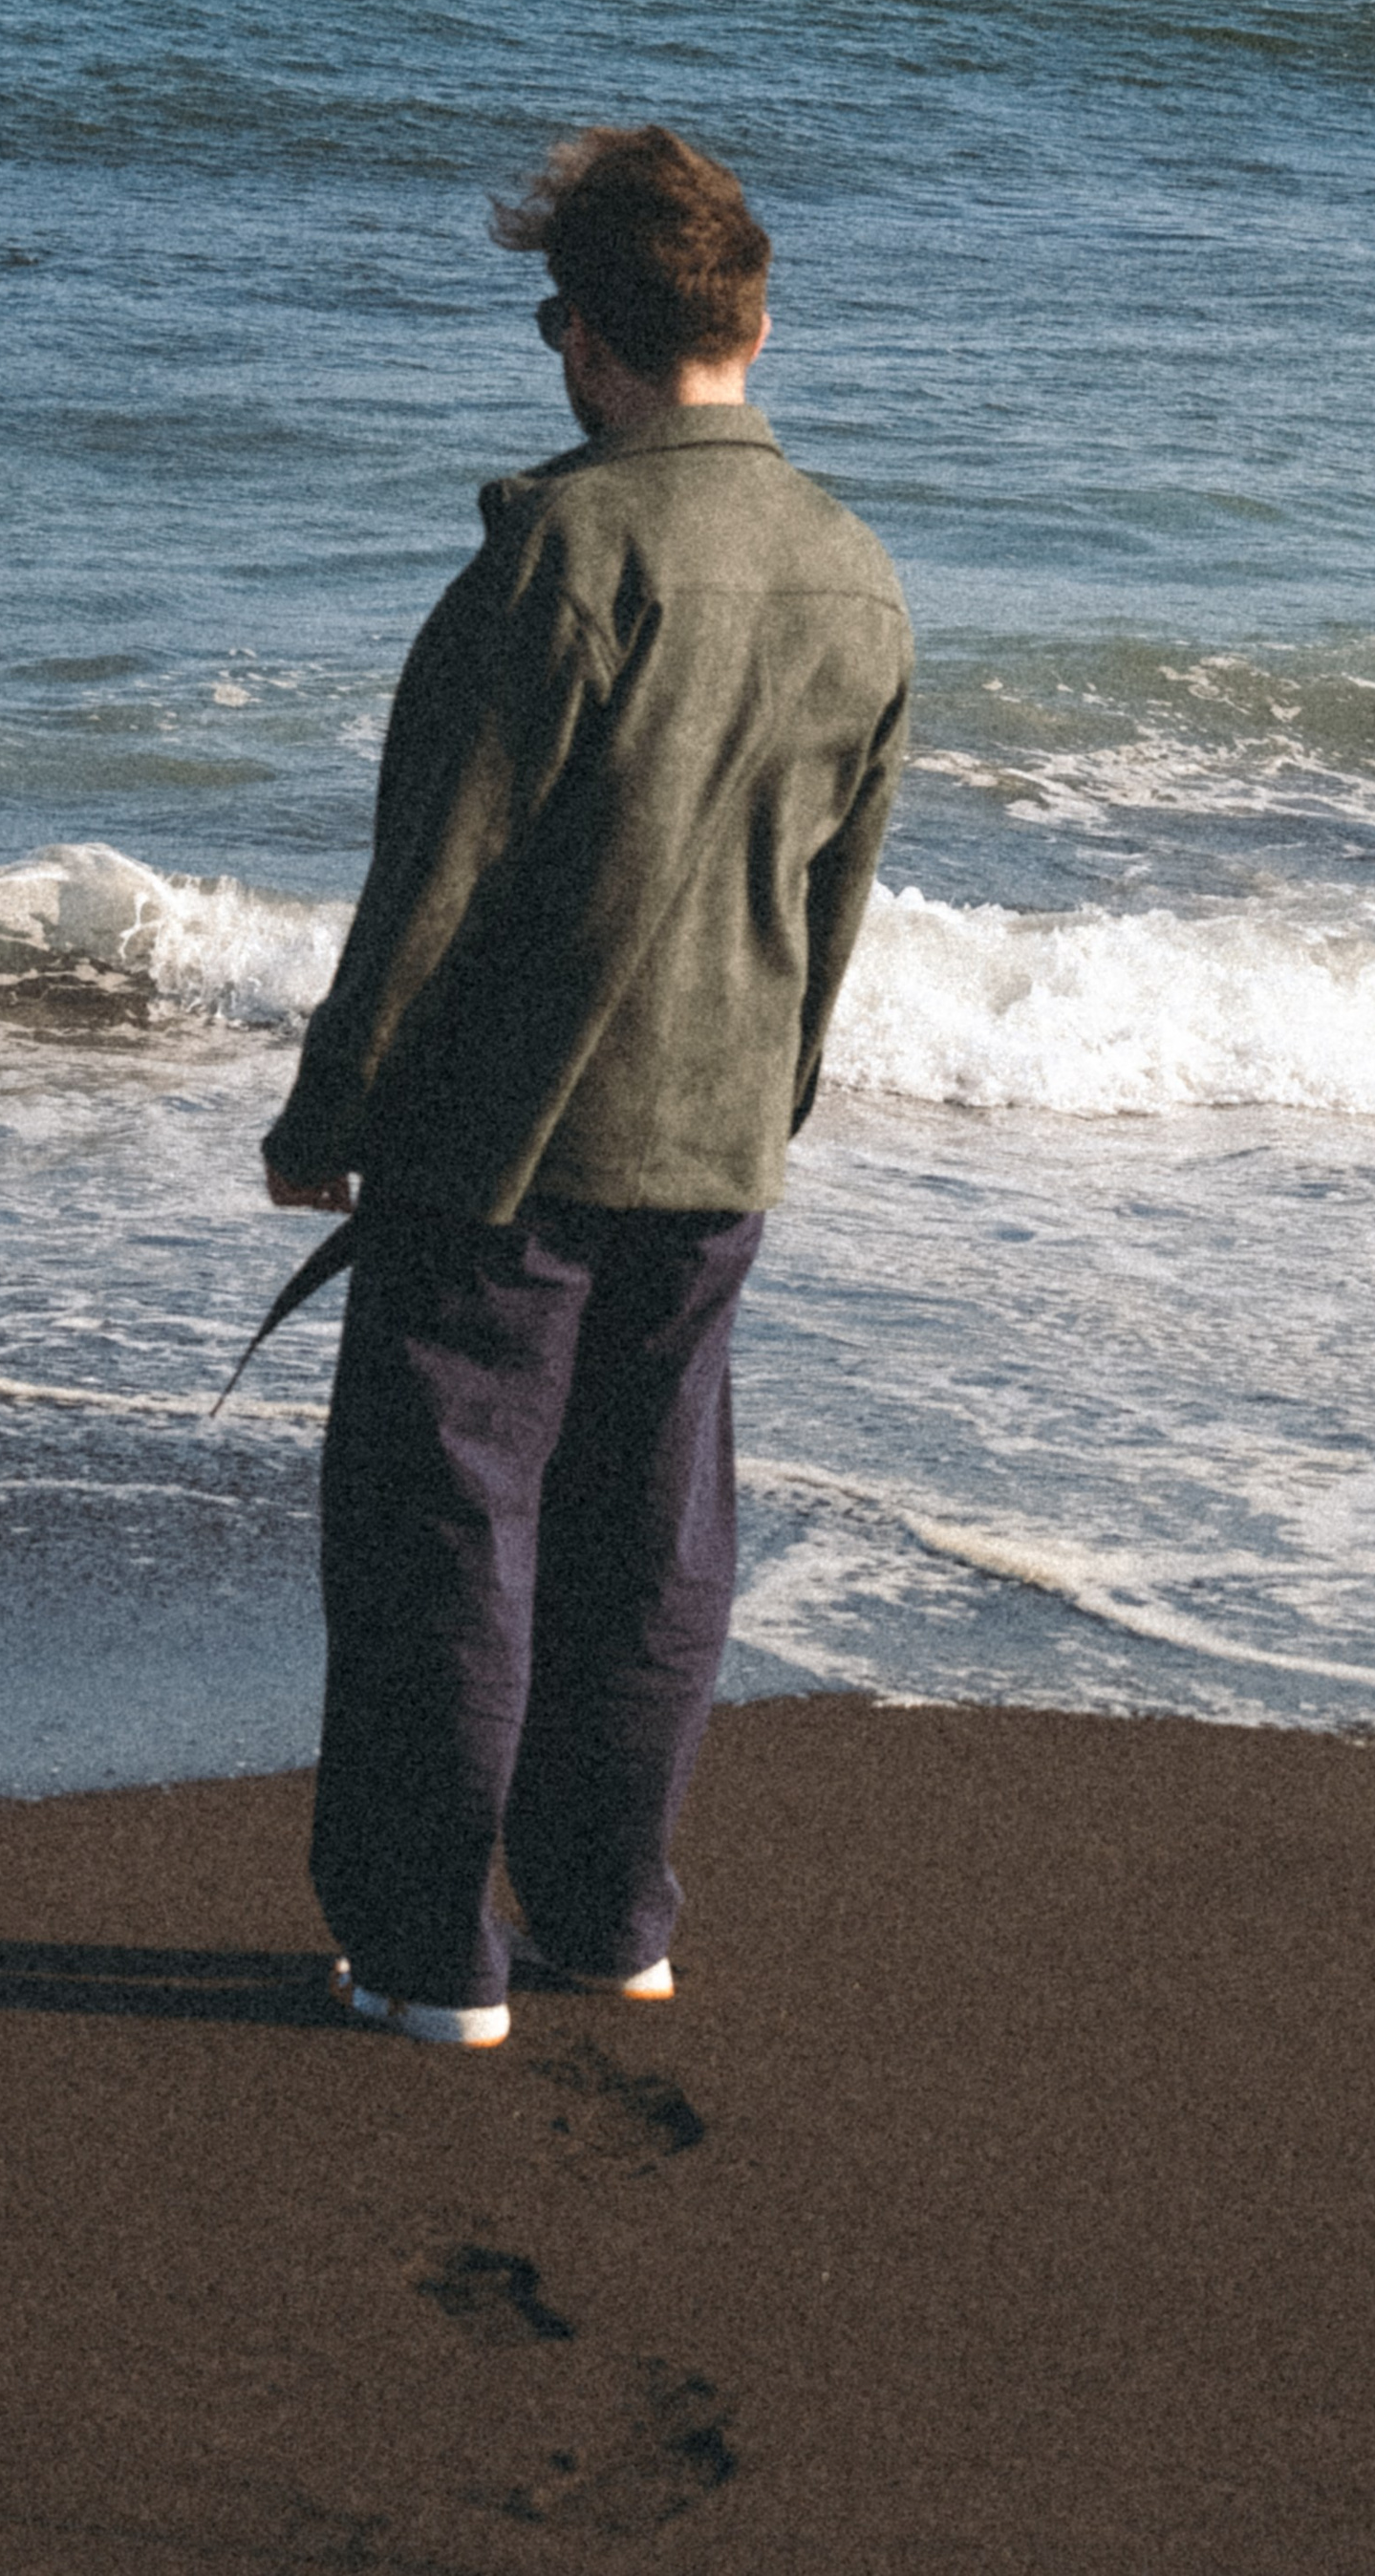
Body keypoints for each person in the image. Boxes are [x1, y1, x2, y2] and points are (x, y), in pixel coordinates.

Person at [262, 126, 912, 2047]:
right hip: (717, 1136)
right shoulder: (855, 573)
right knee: (650, 1539)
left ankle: (421, 1951)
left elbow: (431, 877)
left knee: (445, 1539)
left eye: (555, 320)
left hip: (505, 1146)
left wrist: (328, 1112)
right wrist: (769, 1105)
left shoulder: (560, 551)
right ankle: (607, 1917)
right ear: (755, 324)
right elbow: (835, 909)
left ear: (583, 337)